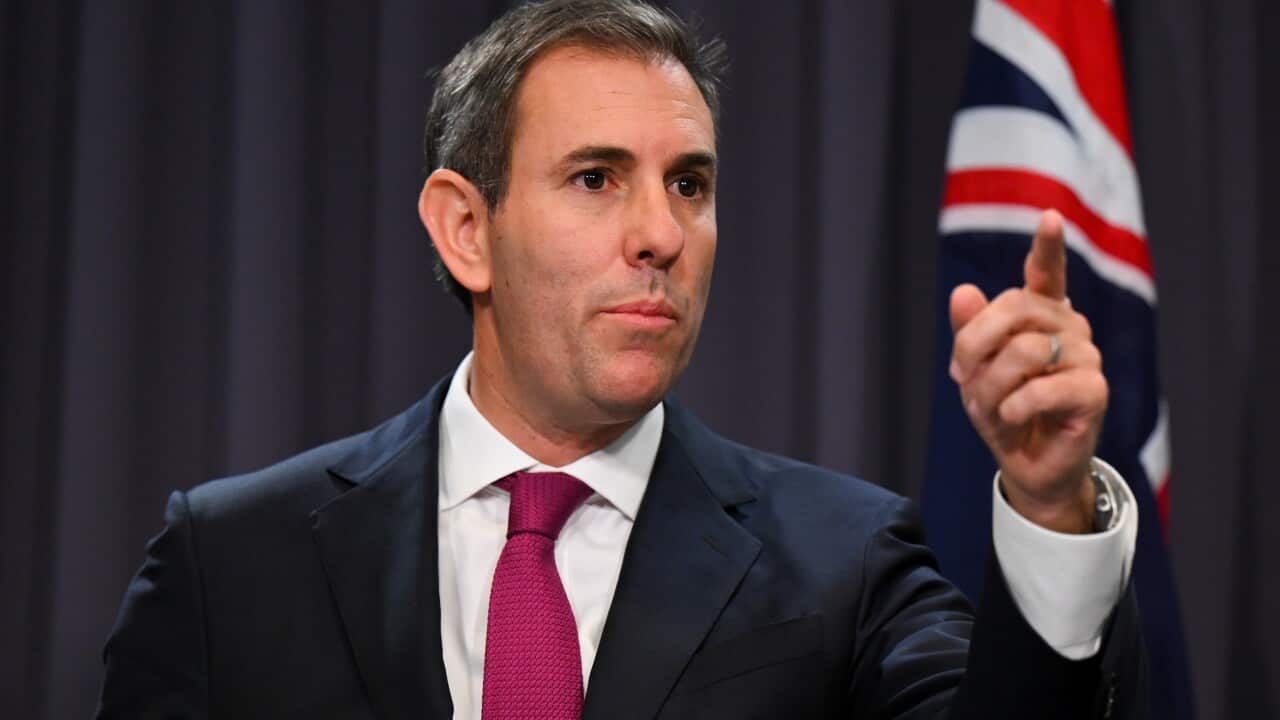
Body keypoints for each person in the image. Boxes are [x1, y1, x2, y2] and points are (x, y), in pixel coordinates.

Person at [97, 1, 1146, 718]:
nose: (661, 233)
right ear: (465, 229)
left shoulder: (846, 561)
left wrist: (1050, 506)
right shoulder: (232, 559)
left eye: (687, 183)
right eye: (597, 178)